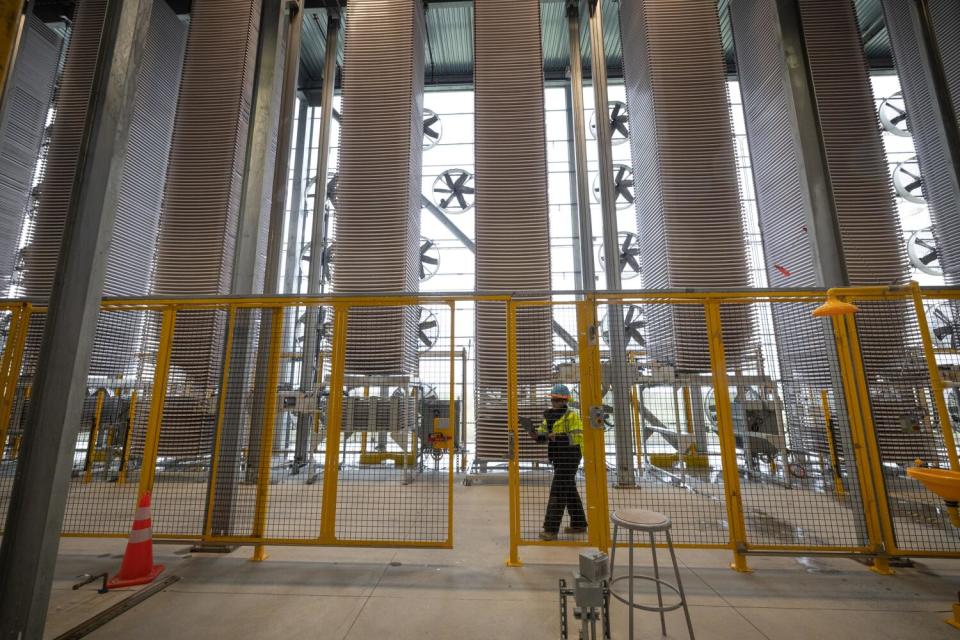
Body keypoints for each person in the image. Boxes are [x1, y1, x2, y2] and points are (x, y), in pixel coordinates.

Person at [531, 384, 587, 541]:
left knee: (558, 491)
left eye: (558, 400)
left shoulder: (572, 416)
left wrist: (559, 436)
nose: (554, 403)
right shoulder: (548, 415)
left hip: (571, 456)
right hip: (557, 456)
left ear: (565, 401)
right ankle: (579, 523)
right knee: (568, 489)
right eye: (553, 399)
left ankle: (550, 529)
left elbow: (578, 437)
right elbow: (543, 434)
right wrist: (537, 436)